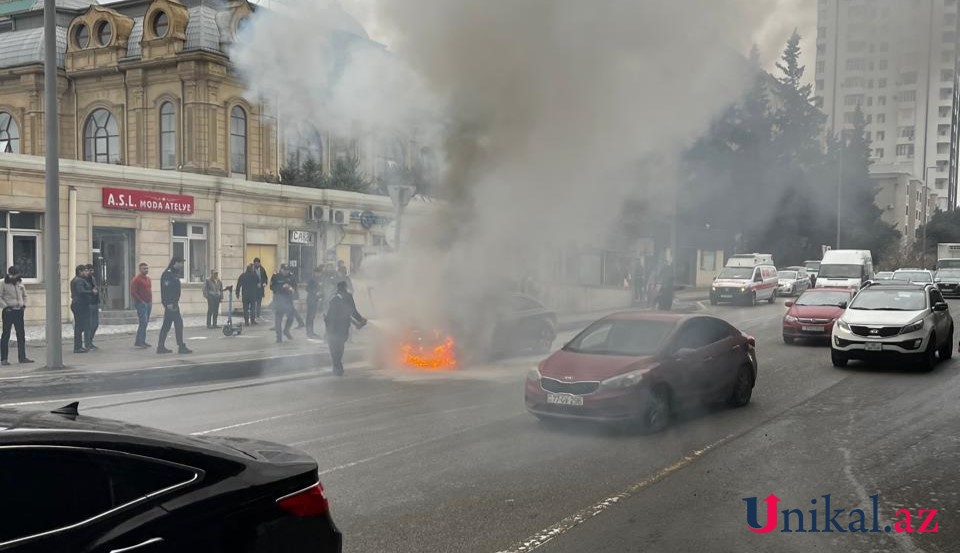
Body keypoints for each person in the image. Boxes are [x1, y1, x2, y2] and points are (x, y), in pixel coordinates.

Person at [324, 280, 367, 376]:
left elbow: (328, 311)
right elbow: (353, 311)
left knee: (333, 346)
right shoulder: (348, 296)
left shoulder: (332, 297)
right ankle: (338, 366)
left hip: (331, 325)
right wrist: (360, 320)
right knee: (339, 346)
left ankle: (336, 366)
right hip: (342, 326)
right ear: (345, 287)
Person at [157, 256, 192, 354]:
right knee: (178, 324)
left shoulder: (173, 273)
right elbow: (166, 290)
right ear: (176, 262)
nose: (182, 265)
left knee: (166, 325)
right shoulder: (168, 274)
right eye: (181, 263)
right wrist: (168, 303)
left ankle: (160, 347)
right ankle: (181, 346)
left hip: (173, 304)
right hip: (171, 305)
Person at [0, 266, 32, 365]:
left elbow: (24, 295)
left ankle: (22, 357)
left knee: (21, 334)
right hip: (8, 311)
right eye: (12, 275)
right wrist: (5, 307)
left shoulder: (20, 283)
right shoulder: (2, 283)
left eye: (16, 275)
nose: (14, 277)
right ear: (9, 274)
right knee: (6, 334)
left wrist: (24, 305)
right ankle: (4, 358)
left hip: (19, 311)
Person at [70, 265, 94, 353]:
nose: (87, 273)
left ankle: (79, 346)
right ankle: (77, 347)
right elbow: (81, 291)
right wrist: (91, 292)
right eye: (85, 271)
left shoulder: (77, 280)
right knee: (79, 326)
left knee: (80, 326)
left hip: (79, 304)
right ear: (80, 271)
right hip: (80, 304)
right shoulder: (79, 280)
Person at [270, 264, 297, 343]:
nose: (286, 272)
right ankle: (279, 337)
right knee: (278, 319)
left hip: (288, 299)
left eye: (287, 270)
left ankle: (286, 330)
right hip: (279, 299)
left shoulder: (291, 276)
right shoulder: (276, 276)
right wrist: (282, 287)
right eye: (285, 270)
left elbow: (295, 286)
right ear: (281, 269)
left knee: (291, 317)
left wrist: (292, 289)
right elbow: (272, 287)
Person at [130, 262, 153, 349]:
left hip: (148, 303)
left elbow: (149, 290)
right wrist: (140, 301)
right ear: (140, 269)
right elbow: (133, 292)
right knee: (143, 322)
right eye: (144, 268)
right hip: (141, 304)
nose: (146, 270)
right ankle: (140, 341)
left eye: (147, 268)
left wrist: (150, 301)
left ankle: (141, 341)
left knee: (145, 322)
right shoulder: (136, 279)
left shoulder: (148, 279)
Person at [84, 263, 100, 350]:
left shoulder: (93, 278)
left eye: (92, 270)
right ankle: (87, 343)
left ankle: (90, 341)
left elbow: (95, 288)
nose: (91, 272)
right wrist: (92, 291)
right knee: (89, 325)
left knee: (95, 324)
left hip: (95, 303)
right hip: (88, 304)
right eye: (90, 270)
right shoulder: (83, 280)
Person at [305, 266, 323, 338]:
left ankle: (311, 332)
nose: (319, 274)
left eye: (319, 273)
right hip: (311, 299)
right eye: (317, 273)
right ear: (315, 273)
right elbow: (307, 289)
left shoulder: (320, 279)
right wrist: (315, 292)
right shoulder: (311, 280)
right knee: (310, 316)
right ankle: (309, 332)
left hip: (316, 300)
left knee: (312, 316)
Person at [253, 257, 269, 322]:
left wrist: (265, 283)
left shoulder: (262, 269)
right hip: (254, 289)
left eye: (257, 263)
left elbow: (265, 278)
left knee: (259, 302)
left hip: (260, 289)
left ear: (259, 263)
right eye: (255, 263)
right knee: (253, 303)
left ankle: (258, 315)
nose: (256, 264)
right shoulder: (252, 269)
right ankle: (253, 316)